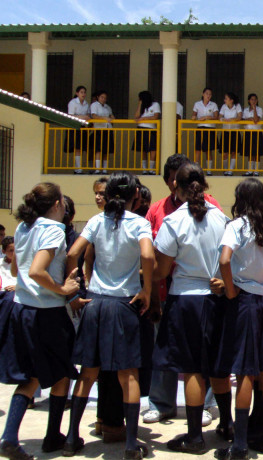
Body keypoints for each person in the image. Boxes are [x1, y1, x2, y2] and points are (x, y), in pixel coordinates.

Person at [63, 172, 155, 459]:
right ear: (135, 197)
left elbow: (73, 253)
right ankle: (130, 443)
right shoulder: (139, 222)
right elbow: (149, 257)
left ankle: (70, 438)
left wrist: (73, 290)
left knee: (89, 373)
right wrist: (148, 291)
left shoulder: (96, 220)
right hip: (123, 304)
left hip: (96, 303)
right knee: (128, 374)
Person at [152, 163, 229, 453]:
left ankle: (195, 436)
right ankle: (227, 424)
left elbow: (160, 271)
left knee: (193, 370)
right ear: (204, 186)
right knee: (218, 366)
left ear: (176, 187)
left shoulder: (174, 222)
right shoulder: (221, 219)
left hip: (185, 300)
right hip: (215, 296)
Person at [0, 183, 80, 459]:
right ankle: (52, 435)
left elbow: (16, 267)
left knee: (30, 376)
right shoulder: (52, 230)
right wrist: (64, 289)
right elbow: (36, 270)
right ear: (58, 204)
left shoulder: (24, 227)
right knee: (62, 372)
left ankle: (10, 435)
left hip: (21, 308)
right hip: (46, 311)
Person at [213, 178, 263, 460]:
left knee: (244, 370)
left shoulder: (237, 226)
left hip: (244, 302)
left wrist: (230, 290)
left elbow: (224, 260)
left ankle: (240, 444)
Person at [192, 88, 219, 174]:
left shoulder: (213, 105)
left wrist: (206, 117)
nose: (208, 96)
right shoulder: (197, 104)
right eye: (207, 93)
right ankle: (196, 170)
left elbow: (216, 116)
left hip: (210, 128)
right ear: (203, 94)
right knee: (198, 149)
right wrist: (194, 117)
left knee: (208, 149)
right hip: (200, 128)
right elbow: (194, 115)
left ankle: (209, 170)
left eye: (210, 94)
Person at [134, 91, 161, 175]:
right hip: (141, 129)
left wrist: (143, 119)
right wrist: (140, 104)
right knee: (143, 149)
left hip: (151, 129)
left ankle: (151, 169)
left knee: (153, 149)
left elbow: (156, 116)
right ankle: (144, 169)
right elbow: (136, 116)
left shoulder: (155, 104)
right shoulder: (142, 106)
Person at [90, 90, 115, 175]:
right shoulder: (94, 105)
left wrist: (112, 117)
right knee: (98, 149)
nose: (103, 99)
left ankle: (104, 169)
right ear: (98, 97)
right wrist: (104, 118)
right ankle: (97, 169)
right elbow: (94, 116)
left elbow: (111, 116)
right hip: (99, 129)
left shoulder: (107, 107)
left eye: (105, 98)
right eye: (102, 97)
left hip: (108, 129)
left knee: (106, 150)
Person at [66, 86, 91, 174]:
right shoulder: (73, 103)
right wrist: (82, 117)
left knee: (81, 147)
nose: (83, 94)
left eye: (84, 92)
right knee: (77, 147)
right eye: (81, 92)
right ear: (77, 93)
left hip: (83, 127)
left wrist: (86, 117)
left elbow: (88, 115)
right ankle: (78, 168)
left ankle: (78, 167)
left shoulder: (86, 104)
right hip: (75, 126)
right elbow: (71, 115)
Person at [242, 93, 263, 176]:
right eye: (252, 99)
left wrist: (254, 109)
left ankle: (256, 171)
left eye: (255, 99)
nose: (253, 101)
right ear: (249, 101)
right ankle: (250, 170)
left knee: (257, 152)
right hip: (248, 132)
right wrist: (249, 119)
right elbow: (243, 121)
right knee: (250, 152)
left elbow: (256, 120)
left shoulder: (259, 109)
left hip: (257, 132)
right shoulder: (245, 110)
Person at [220, 92, 243, 176]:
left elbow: (239, 117)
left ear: (231, 100)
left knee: (234, 151)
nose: (224, 100)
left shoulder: (237, 106)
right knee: (224, 152)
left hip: (235, 131)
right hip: (225, 131)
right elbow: (220, 117)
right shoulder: (223, 106)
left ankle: (230, 170)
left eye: (226, 98)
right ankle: (225, 170)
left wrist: (232, 119)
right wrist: (223, 119)